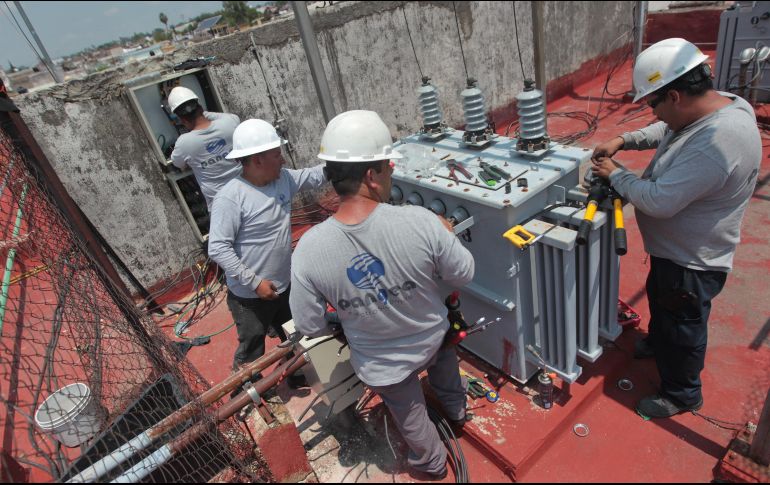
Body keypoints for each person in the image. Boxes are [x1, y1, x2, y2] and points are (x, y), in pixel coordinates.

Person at [289, 110, 475, 478]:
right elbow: (463, 274)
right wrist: (445, 234)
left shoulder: (308, 250)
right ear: (372, 176)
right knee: (444, 362)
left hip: (383, 365)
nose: (393, 174)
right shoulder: (420, 222)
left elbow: (309, 324)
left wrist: (348, 312)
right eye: (389, 167)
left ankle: (432, 465)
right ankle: (457, 412)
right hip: (433, 339)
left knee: (410, 414)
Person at [591, 38, 761, 418]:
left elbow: (658, 201)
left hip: (693, 262)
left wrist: (616, 175)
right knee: (663, 305)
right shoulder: (719, 105)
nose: (655, 113)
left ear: (676, 95)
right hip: (674, 255)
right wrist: (625, 139)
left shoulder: (721, 142)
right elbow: (666, 131)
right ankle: (659, 341)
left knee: (683, 327)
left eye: (654, 103)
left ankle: (682, 394)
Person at [208, 119, 326, 380]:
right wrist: (254, 282)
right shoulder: (231, 197)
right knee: (253, 346)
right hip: (250, 296)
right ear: (258, 160)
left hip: (284, 284)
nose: (282, 160)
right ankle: (246, 392)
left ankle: (296, 375)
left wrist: (343, 161)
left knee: (295, 334)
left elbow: (313, 176)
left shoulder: (282, 179)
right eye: (277, 154)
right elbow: (217, 248)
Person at [168, 86, 242, 210]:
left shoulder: (184, 143)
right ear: (201, 108)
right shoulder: (230, 122)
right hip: (249, 192)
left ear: (181, 119)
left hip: (222, 207)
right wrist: (203, 114)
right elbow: (226, 117)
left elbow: (178, 164)